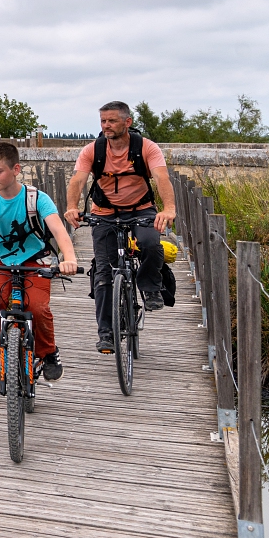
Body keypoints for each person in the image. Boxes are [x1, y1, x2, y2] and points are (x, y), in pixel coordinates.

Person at [0, 141, 79, 384]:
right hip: (1, 260)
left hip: (35, 260)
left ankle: (49, 354)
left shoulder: (37, 199)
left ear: (16, 169)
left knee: (36, 307)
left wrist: (70, 258)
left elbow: (58, 229)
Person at [63, 100, 177, 354]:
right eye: (103, 121)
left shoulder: (146, 148)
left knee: (150, 244)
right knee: (104, 272)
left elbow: (161, 178)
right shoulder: (94, 150)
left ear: (128, 122)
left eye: (112, 121)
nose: (106, 126)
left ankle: (150, 288)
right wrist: (72, 206)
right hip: (104, 213)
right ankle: (106, 334)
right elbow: (78, 180)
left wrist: (168, 209)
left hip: (141, 209)